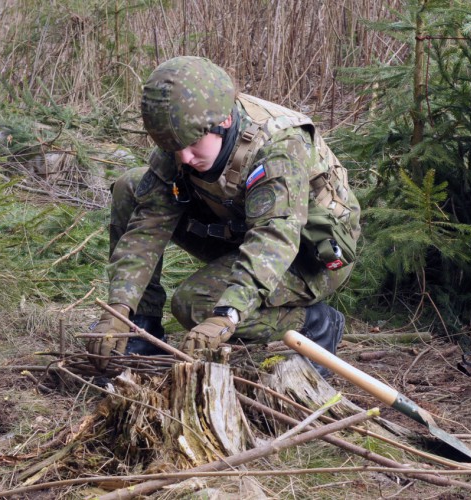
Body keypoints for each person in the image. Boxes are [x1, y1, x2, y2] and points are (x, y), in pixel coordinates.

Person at [86, 56, 360, 376]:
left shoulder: (278, 145)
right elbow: (147, 226)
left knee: (196, 304)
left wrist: (227, 314)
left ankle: (316, 324)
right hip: (242, 229)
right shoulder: (182, 137)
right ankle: (141, 328)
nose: (183, 157)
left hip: (309, 255)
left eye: (191, 145)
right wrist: (120, 308)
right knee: (132, 187)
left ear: (224, 121)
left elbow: (274, 237)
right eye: (173, 147)